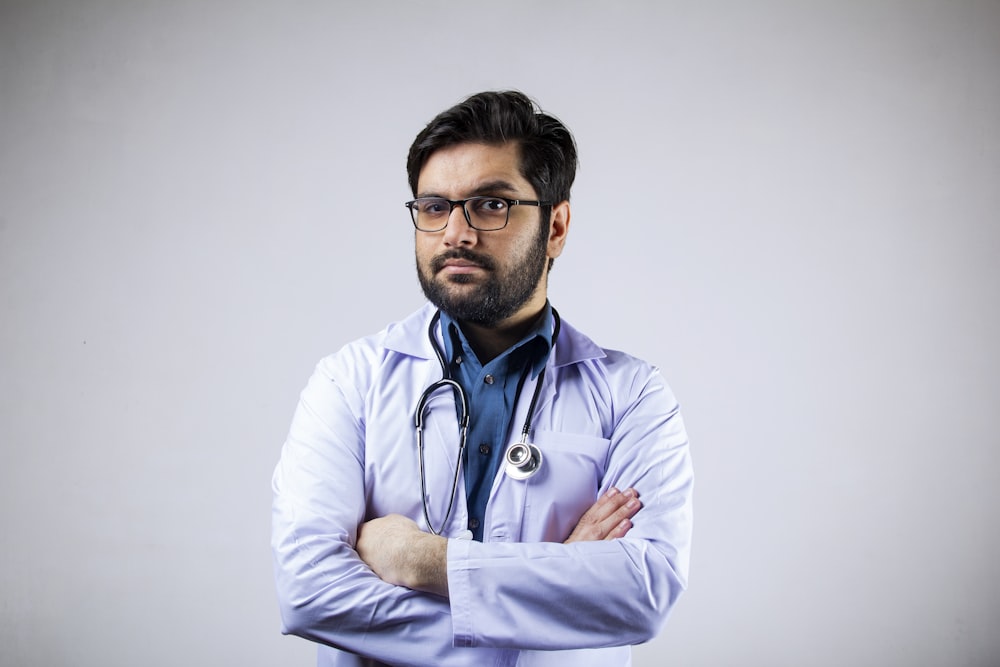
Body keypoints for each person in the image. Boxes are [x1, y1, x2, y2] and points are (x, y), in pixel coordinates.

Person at [271, 90, 694, 666]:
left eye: (491, 205)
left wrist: (422, 562)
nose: (455, 233)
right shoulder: (350, 381)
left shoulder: (633, 395)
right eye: (434, 206)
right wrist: (553, 587)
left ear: (556, 226)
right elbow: (311, 594)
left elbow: (641, 595)